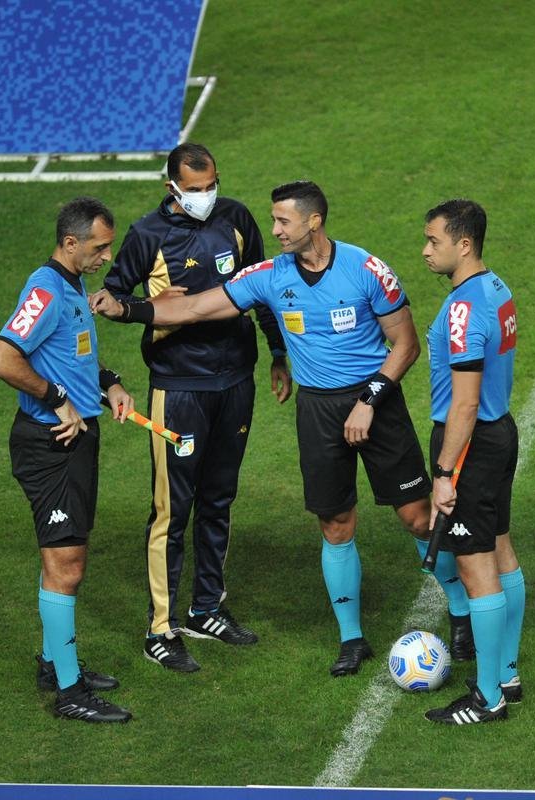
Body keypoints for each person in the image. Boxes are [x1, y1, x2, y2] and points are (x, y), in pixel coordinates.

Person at [91, 180, 469, 677]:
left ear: (314, 221)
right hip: (317, 412)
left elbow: (405, 345)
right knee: (336, 525)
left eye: (283, 221)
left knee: (419, 517)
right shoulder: (270, 275)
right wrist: (129, 308)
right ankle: (351, 639)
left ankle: (462, 615)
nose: (273, 230)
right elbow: (198, 306)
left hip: (376, 403)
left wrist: (369, 401)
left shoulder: (367, 270)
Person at [96, 143, 290, 673]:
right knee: (171, 511)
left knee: (219, 499)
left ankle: (206, 609)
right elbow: (110, 300)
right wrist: (156, 309)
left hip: (236, 383)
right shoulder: (146, 235)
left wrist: (276, 351)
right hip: (177, 389)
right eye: (195, 189)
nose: (206, 197)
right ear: (172, 188)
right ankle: (160, 629)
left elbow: (264, 288)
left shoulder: (236, 219)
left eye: (211, 186)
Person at [0, 196, 135, 723]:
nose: (107, 258)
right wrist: (56, 400)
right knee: (65, 566)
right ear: (69, 243)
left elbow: (73, 355)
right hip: (50, 444)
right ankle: (70, 693)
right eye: (99, 247)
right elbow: (2, 359)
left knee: (68, 559)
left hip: (75, 439)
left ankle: (55, 662)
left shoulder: (72, 285)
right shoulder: (45, 288)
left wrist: (109, 384)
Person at [419, 199, 525, 725]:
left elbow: (463, 401)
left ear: (464, 244)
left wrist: (443, 473)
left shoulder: (462, 309)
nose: (425, 250)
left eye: (433, 240)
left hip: (470, 443)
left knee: (475, 562)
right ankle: (506, 671)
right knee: (502, 549)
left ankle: (488, 698)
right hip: (500, 430)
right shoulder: (497, 288)